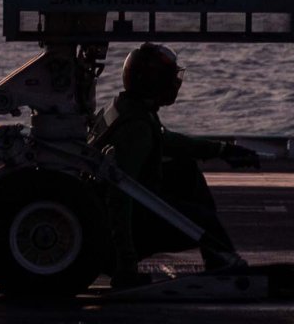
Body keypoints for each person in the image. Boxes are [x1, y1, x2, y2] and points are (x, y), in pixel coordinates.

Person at [91, 42, 260, 287]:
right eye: (168, 78)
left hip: (116, 222)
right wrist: (125, 264)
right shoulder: (136, 129)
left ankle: (218, 258)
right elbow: (120, 197)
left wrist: (223, 150)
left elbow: (168, 141)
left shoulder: (128, 108)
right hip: (117, 238)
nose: (174, 84)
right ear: (152, 81)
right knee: (203, 220)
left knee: (185, 170)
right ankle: (221, 259)